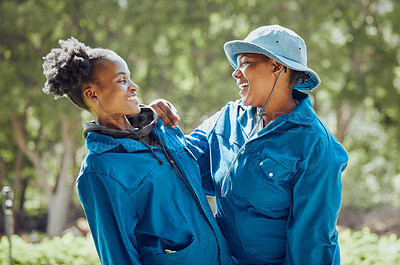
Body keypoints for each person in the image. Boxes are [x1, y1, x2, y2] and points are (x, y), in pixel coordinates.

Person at [151, 25, 349, 264]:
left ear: (277, 66)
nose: (235, 73)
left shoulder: (316, 146)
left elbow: (312, 243)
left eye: (245, 63)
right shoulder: (228, 119)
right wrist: (157, 122)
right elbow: (183, 164)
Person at [42, 37, 233, 265]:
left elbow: (200, 174)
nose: (134, 86)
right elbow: (117, 255)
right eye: (122, 80)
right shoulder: (99, 170)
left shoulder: (161, 127)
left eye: (130, 78)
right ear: (93, 95)